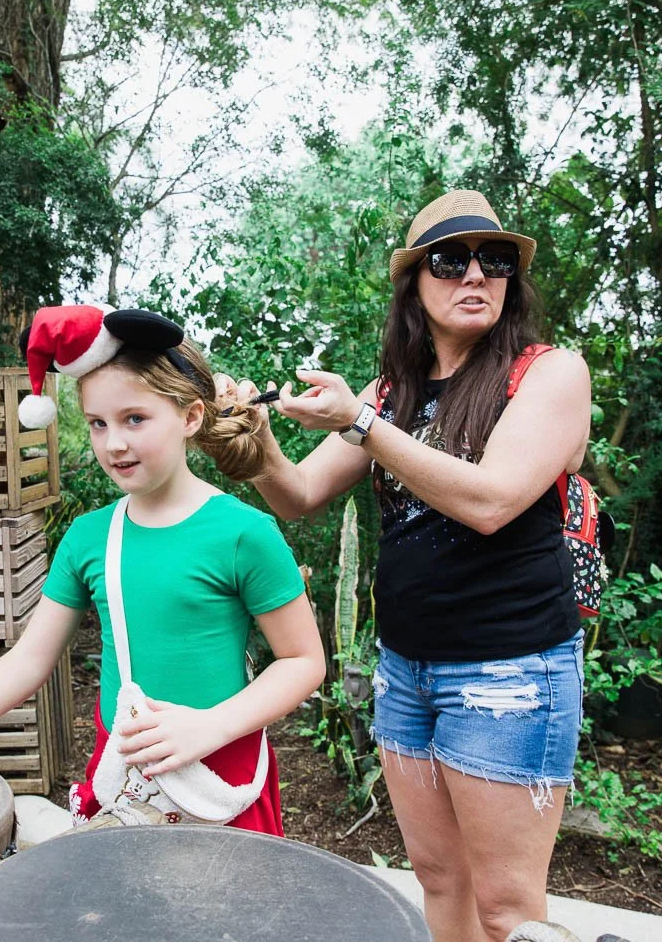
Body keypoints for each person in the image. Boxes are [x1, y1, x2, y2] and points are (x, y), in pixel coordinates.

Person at [231, 189, 591, 939]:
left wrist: (363, 424)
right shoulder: (392, 391)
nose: (475, 274)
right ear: (415, 285)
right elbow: (297, 494)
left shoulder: (550, 373)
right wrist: (248, 442)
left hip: (510, 675)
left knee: (507, 911)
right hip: (406, 671)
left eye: (494, 260)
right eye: (450, 259)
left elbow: (492, 501)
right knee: (438, 879)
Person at [0, 305, 325, 836]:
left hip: (222, 783)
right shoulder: (88, 537)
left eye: (134, 419)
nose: (113, 443)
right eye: (98, 423)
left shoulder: (243, 533)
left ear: (190, 417)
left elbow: (302, 660)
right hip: (123, 782)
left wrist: (210, 727)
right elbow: (31, 658)